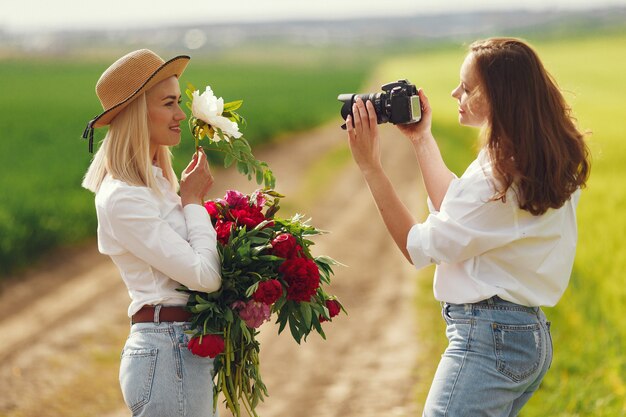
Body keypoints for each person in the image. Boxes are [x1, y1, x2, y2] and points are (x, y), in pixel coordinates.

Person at [344, 37, 590, 416]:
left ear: (499, 97)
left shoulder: (498, 179)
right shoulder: (524, 162)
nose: (454, 93)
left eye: (468, 87)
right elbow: (459, 214)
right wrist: (422, 139)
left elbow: (417, 247)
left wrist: (370, 167)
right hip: (519, 334)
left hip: (490, 339)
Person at [82, 49, 221, 417]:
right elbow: (205, 277)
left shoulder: (155, 184)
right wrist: (192, 201)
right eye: (170, 103)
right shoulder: (123, 198)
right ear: (136, 114)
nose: (180, 115)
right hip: (168, 351)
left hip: (178, 348)